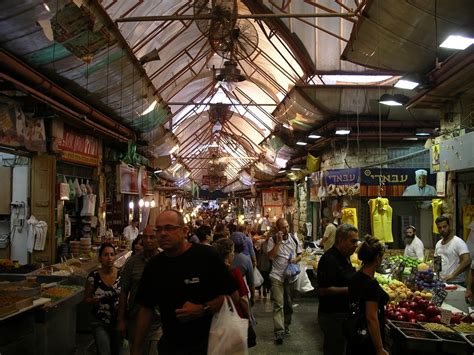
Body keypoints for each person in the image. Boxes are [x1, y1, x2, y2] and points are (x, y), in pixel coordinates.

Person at [131, 210, 237, 355]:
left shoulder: (206, 257)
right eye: (159, 229)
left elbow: (233, 297)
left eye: (169, 228)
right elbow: (145, 308)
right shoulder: (154, 266)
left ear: (184, 231)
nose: (163, 234)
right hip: (171, 346)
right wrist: (136, 348)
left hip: (209, 345)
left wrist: (202, 309)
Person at [117, 226, 161, 355]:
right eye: (145, 237)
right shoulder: (132, 263)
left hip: (157, 321)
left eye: (152, 237)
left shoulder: (164, 261)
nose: (148, 241)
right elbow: (124, 292)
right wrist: (121, 319)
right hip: (135, 319)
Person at [317, 224, 359, 355]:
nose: (356, 245)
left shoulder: (346, 257)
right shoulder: (329, 259)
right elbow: (323, 290)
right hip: (332, 316)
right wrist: (350, 290)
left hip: (343, 314)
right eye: (353, 241)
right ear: (341, 240)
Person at [348, 236, 389, 355]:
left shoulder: (356, 277)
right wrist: (379, 348)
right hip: (367, 340)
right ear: (377, 258)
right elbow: (371, 318)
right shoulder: (371, 285)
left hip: (355, 334)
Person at [266, 217, 302, 344]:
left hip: (290, 277)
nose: (286, 229)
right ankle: (279, 332)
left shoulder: (293, 238)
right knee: (278, 304)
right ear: (278, 229)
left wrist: (295, 260)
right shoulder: (272, 240)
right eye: (283, 227)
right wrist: (279, 242)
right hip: (276, 276)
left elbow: (299, 255)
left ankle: (286, 326)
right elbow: (270, 256)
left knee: (288, 305)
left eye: (287, 226)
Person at [84, 243, 122, 355]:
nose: (109, 258)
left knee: (117, 351)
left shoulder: (122, 275)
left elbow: (125, 296)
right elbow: (86, 298)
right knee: (104, 351)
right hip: (99, 321)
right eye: (105, 255)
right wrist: (92, 300)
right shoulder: (93, 276)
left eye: (112, 254)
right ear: (100, 258)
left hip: (118, 321)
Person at [213, 238, 250, 318]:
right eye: (232, 252)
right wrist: (248, 317)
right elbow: (243, 298)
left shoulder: (212, 271)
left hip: (216, 315)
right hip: (234, 315)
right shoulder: (234, 272)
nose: (233, 254)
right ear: (229, 254)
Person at [434, 215, 471, 284]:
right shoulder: (438, 244)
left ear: (449, 226)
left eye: (444, 226)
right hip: (442, 282)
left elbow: (467, 260)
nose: (442, 229)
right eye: (439, 227)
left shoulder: (458, 242)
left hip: (456, 282)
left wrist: (453, 275)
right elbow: (437, 262)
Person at [230, 232, 255, 301]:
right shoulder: (246, 259)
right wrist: (252, 298)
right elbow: (251, 283)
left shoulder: (223, 258)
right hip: (241, 294)